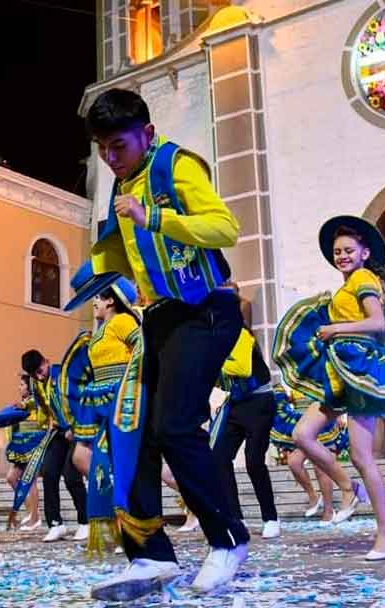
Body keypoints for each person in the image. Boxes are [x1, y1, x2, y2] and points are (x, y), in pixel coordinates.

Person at [75, 88, 247, 601]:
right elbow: (132, 257)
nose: (111, 158)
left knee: (175, 426)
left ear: (147, 134)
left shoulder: (176, 167)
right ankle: (149, 554)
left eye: (119, 146)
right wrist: (93, 275)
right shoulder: (121, 184)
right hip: (160, 317)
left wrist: (155, 217)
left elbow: (226, 228)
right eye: (103, 148)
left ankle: (229, 539)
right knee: (137, 434)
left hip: (207, 310)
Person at [273, 216, 385, 560]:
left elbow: (376, 323)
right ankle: (347, 487)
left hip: (360, 371)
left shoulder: (364, 278)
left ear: (364, 253)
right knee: (301, 435)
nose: (341, 255)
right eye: (337, 251)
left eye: (348, 250)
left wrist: (334, 329)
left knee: (361, 455)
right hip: (338, 370)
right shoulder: (346, 285)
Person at [68, 278, 141, 554]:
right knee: (84, 458)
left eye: (98, 297)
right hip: (102, 405)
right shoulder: (100, 330)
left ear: (111, 300)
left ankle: (130, 527)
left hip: (122, 403)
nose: (94, 302)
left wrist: (130, 387)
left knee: (119, 465)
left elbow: (141, 350)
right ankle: (119, 524)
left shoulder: (123, 321)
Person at [210, 324, 281, 539]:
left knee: (253, 461)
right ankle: (235, 518)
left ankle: (271, 518)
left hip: (259, 402)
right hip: (236, 403)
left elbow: (242, 368)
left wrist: (208, 365)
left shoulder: (239, 333)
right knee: (218, 457)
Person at [22, 348, 89, 542]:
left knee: (71, 475)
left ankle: (85, 522)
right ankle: (55, 524)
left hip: (78, 430)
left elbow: (82, 401)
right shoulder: (36, 384)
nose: (39, 376)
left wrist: (75, 428)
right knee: (49, 473)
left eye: (40, 370)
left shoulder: (65, 375)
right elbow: (45, 407)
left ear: (47, 361)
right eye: (34, 374)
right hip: (59, 431)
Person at [270, 388, 353, 524]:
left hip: (323, 425)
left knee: (321, 468)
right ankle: (313, 496)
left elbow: (333, 394)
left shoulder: (317, 377)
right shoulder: (295, 382)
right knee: (294, 462)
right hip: (303, 428)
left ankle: (328, 510)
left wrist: (338, 415)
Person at [4, 372, 45, 531]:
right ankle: (32, 510)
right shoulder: (24, 402)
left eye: (22, 385)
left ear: (30, 387)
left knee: (31, 481)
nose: (19, 387)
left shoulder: (36, 401)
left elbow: (35, 408)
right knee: (11, 477)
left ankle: (35, 518)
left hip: (32, 445)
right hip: (21, 446)